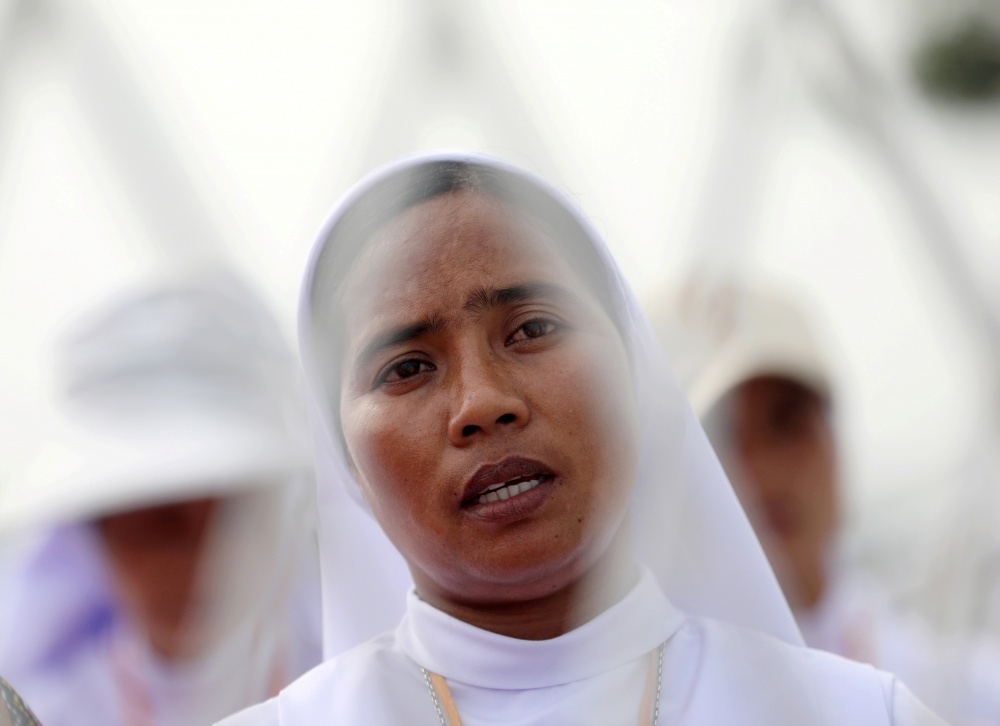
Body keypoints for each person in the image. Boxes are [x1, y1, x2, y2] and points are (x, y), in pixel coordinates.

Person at [219, 153, 945, 725]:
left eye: (533, 329)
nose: (483, 403)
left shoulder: (860, 714)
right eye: (406, 368)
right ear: (344, 459)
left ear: (636, 376)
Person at [0, 270, 321, 725]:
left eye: (224, 514)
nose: (196, 555)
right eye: (156, 520)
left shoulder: (355, 681)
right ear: (92, 532)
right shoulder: (58, 712)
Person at [677, 284, 1000, 726]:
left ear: (834, 440)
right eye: (721, 439)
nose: (759, 472)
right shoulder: (652, 701)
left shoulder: (951, 689)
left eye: (786, 421)